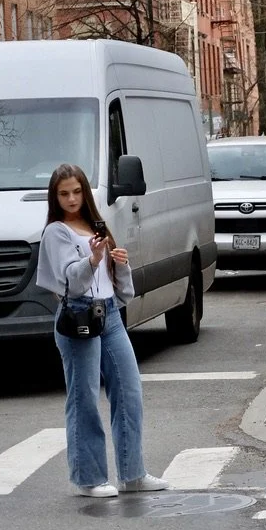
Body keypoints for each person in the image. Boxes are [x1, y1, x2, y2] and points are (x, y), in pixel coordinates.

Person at [36, 163, 168, 498]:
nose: (71, 199)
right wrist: (92, 260)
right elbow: (69, 281)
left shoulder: (95, 225)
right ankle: (89, 478)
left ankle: (133, 473)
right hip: (78, 318)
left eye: (77, 191)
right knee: (84, 400)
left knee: (129, 392)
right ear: (55, 196)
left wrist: (118, 262)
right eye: (64, 193)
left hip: (109, 315)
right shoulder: (56, 231)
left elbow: (119, 287)